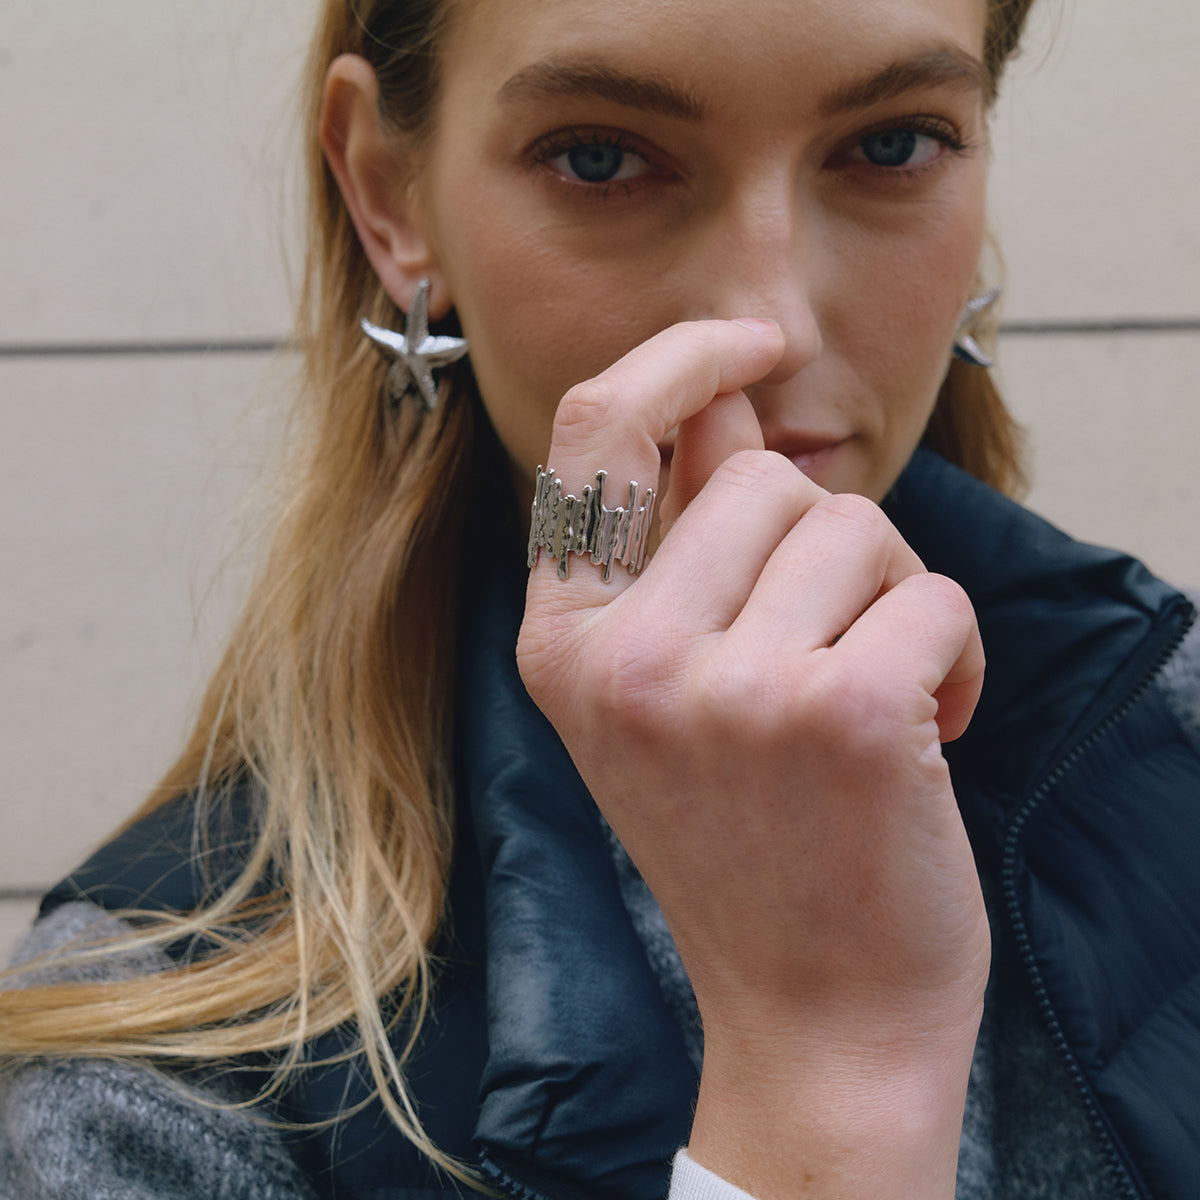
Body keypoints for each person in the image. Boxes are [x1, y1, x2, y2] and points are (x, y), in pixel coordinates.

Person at [1, 0, 1197, 1197]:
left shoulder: (1175, 740)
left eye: (893, 146)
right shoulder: (158, 1089)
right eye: (601, 158)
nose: (775, 325)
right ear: (388, 194)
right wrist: (827, 1084)